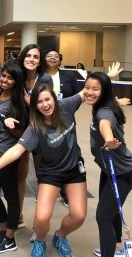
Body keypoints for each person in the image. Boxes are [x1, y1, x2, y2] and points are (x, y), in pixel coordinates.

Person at [0, 83, 88, 257]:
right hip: (51, 173)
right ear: (34, 106)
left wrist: (107, 82)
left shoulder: (67, 106)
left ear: (54, 99)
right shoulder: (34, 128)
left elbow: (88, 92)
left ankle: (60, 236)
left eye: (47, 99)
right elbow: (16, 150)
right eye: (39, 102)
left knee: (78, 216)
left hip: (73, 171)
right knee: (41, 218)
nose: (45, 104)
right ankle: (40, 241)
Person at [84, 72, 132, 257]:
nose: (89, 92)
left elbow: (104, 124)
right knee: (110, 210)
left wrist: (109, 139)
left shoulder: (104, 112)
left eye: (95, 89)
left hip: (122, 172)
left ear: (104, 91)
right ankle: (116, 246)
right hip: (108, 168)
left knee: (103, 216)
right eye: (87, 87)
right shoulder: (107, 103)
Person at [0, 64, 27, 253]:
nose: (5, 80)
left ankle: (10, 238)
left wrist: (12, 128)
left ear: (16, 82)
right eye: (3, 76)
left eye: (10, 78)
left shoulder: (18, 105)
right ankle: (4, 230)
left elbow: (24, 136)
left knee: (11, 197)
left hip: (7, 157)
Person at [16, 44, 53, 226]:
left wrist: (26, 99)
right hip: (21, 130)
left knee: (42, 176)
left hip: (41, 131)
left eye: (36, 57)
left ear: (40, 62)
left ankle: (40, 223)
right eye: (28, 55)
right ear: (23, 58)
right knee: (21, 175)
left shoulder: (45, 78)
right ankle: (18, 214)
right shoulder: (18, 77)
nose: (31, 59)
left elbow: (45, 106)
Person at [44, 49, 80, 207]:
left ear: (60, 61)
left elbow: (75, 96)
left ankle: (66, 193)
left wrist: (65, 111)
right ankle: (45, 189)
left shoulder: (69, 76)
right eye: (49, 56)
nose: (52, 58)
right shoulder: (40, 76)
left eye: (55, 57)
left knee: (68, 153)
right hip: (44, 120)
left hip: (64, 119)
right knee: (47, 155)